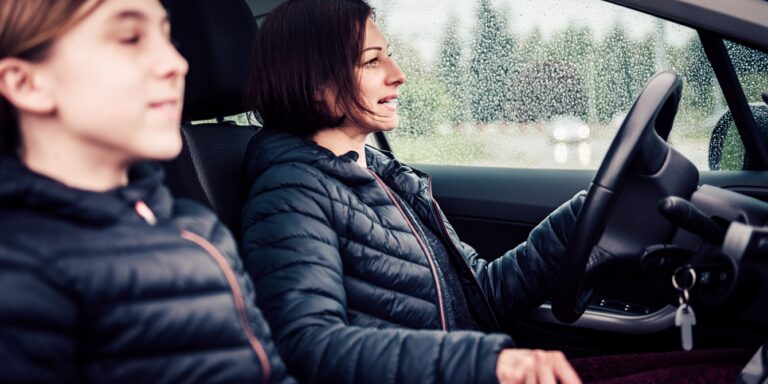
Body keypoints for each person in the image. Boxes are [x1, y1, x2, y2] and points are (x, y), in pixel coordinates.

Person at [241, 0, 585, 383]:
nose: (399, 74)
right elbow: (308, 345)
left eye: (389, 56)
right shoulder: (291, 193)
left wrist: (582, 218)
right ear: (316, 84)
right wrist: (478, 362)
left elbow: (480, 295)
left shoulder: (385, 176)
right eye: (372, 61)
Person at [0, 0, 294, 382]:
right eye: (129, 38)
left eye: (168, 37)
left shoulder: (196, 226)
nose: (177, 63)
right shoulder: (19, 276)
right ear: (26, 83)